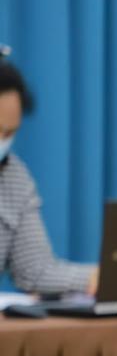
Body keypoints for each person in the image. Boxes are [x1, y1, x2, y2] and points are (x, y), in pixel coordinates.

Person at [0, 52, 97, 296]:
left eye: (9, 133)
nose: (2, 140)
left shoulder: (13, 176)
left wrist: (100, 277)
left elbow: (34, 271)